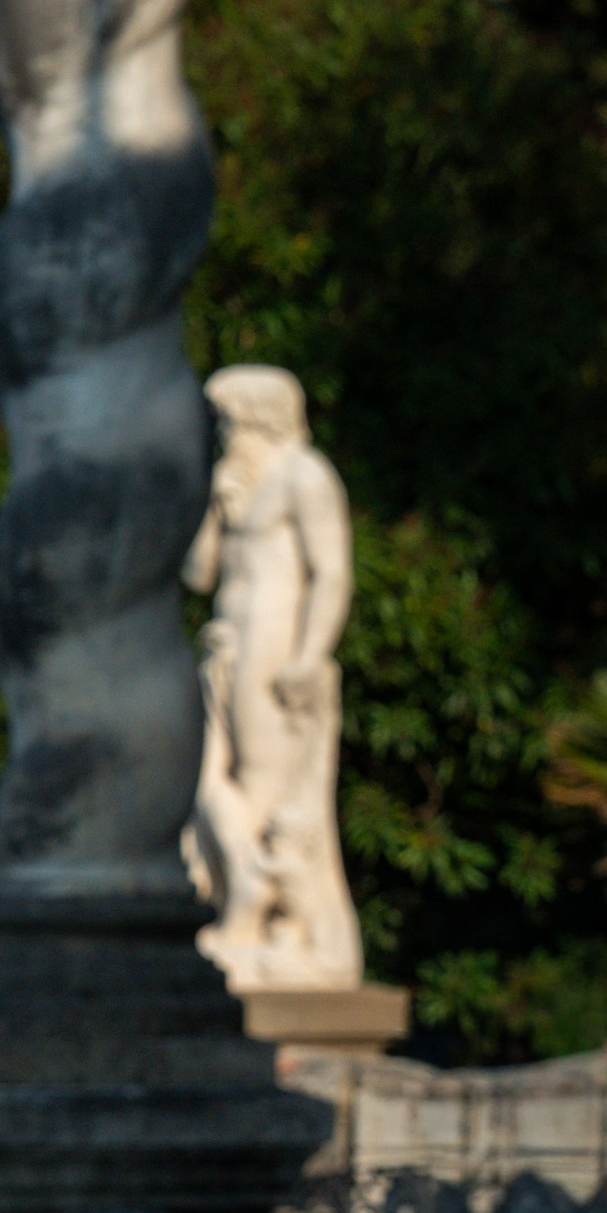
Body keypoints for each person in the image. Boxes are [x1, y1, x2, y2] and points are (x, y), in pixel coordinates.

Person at [185, 365, 365, 993]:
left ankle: (256, 913)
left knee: (263, 782)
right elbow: (199, 576)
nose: (226, 434)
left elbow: (331, 573)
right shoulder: (239, 479)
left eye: (231, 421)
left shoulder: (304, 475)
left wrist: (310, 654)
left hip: (274, 643)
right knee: (208, 778)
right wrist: (214, 507)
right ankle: (244, 898)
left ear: (261, 417)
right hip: (226, 644)